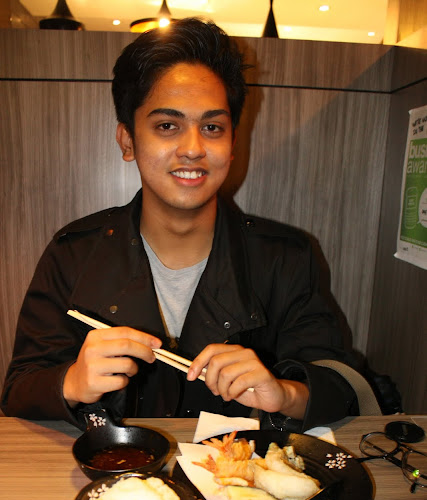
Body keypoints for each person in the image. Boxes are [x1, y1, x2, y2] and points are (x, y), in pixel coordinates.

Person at [1, 18, 359, 431]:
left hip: (235, 469)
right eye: (167, 126)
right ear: (128, 140)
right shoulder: (74, 253)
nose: (192, 149)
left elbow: (340, 387)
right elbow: (19, 389)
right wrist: (72, 381)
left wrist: (284, 393)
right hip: (113, 468)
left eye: (212, 127)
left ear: (232, 143)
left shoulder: (285, 256)